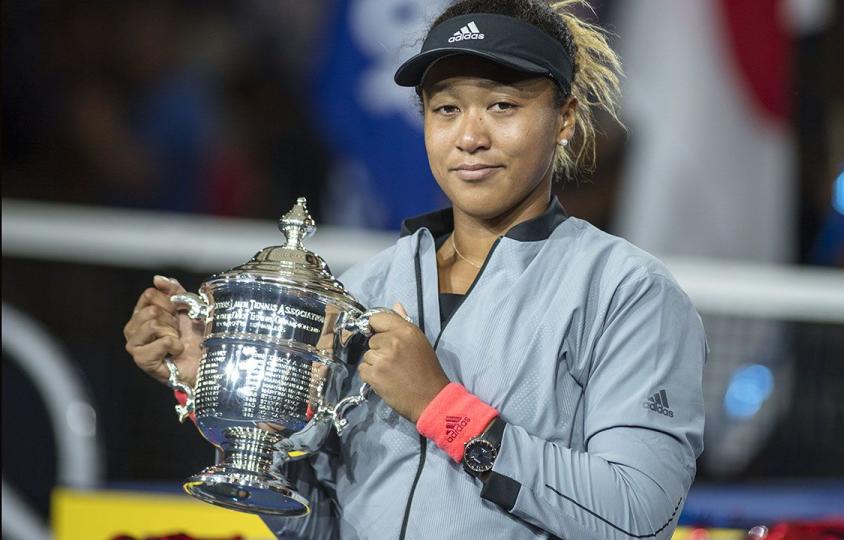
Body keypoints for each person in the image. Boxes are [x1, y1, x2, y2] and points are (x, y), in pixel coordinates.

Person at [123, 1, 707, 538]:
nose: (470, 136)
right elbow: (324, 526)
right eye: (446, 109)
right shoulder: (363, 288)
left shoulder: (629, 293)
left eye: (503, 105)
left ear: (565, 120)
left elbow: (640, 515)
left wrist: (442, 409)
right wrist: (221, 389)